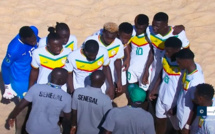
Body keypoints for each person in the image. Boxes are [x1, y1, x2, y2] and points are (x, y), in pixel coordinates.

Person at [6, 68, 72, 134]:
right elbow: (68, 117)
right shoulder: (66, 97)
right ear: (62, 80)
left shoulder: (36, 88)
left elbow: (20, 106)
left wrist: (12, 117)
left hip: (31, 130)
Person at [1, 26, 40, 134]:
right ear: (23, 39)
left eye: (35, 38)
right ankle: (20, 131)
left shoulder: (33, 31)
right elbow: (4, 67)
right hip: (20, 80)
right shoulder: (14, 49)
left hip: (35, 74)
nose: (34, 41)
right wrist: (7, 87)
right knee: (23, 107)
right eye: (32, 40)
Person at [142, 12, 190, 90]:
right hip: (156, 68)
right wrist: (146, 70)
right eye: (153, 24)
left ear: (165, 25)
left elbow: (187, 54)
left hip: (172, 71)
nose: (154, 28)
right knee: (152, 92)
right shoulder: (149, 31)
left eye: (157, 26)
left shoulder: (179, 34)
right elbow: (152, 50)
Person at [148, 37, 183, 134]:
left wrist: (177, 107)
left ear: (177, 50)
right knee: (160, 121)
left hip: (174, 102)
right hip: (162, 97)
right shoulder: (165, 56)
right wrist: (154, 89)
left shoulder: (183, 64)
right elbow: (162, 72)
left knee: (178, 128)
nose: (166, 53)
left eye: (168, 51)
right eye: (165, 50)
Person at [85, 22, 125, 97]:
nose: (109, 41)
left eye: (112, 38)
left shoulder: (118, 43)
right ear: (103, 32)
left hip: (109, 77)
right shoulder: (91, 41)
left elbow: (118, 60)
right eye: (107, 38)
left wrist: (119, 80)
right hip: (94, 76)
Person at [71, 70, 112, 134]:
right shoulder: (105, 99)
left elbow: (74, 113)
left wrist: (74, 126)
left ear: (90, 79)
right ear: (103, 82)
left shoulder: (77, 92)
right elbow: (109, 121)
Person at [174, 49, 204, 133]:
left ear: (186, 61)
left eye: (179, 62)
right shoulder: (191, 68)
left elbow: (196, 106)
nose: (177, 64)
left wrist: (187, 125)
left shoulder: (195, 81)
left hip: (186, 118)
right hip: (181, 113)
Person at [127, 14, 151, 91]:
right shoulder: (131, 32)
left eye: (141, 28)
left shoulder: (150, 35)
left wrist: (146, 70)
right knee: (131, 90)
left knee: (144, 92)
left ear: (147, 25)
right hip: (132, 68)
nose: (139, 30)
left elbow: (152, 52)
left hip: (144, 69)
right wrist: (127, 58)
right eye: (137, 27)